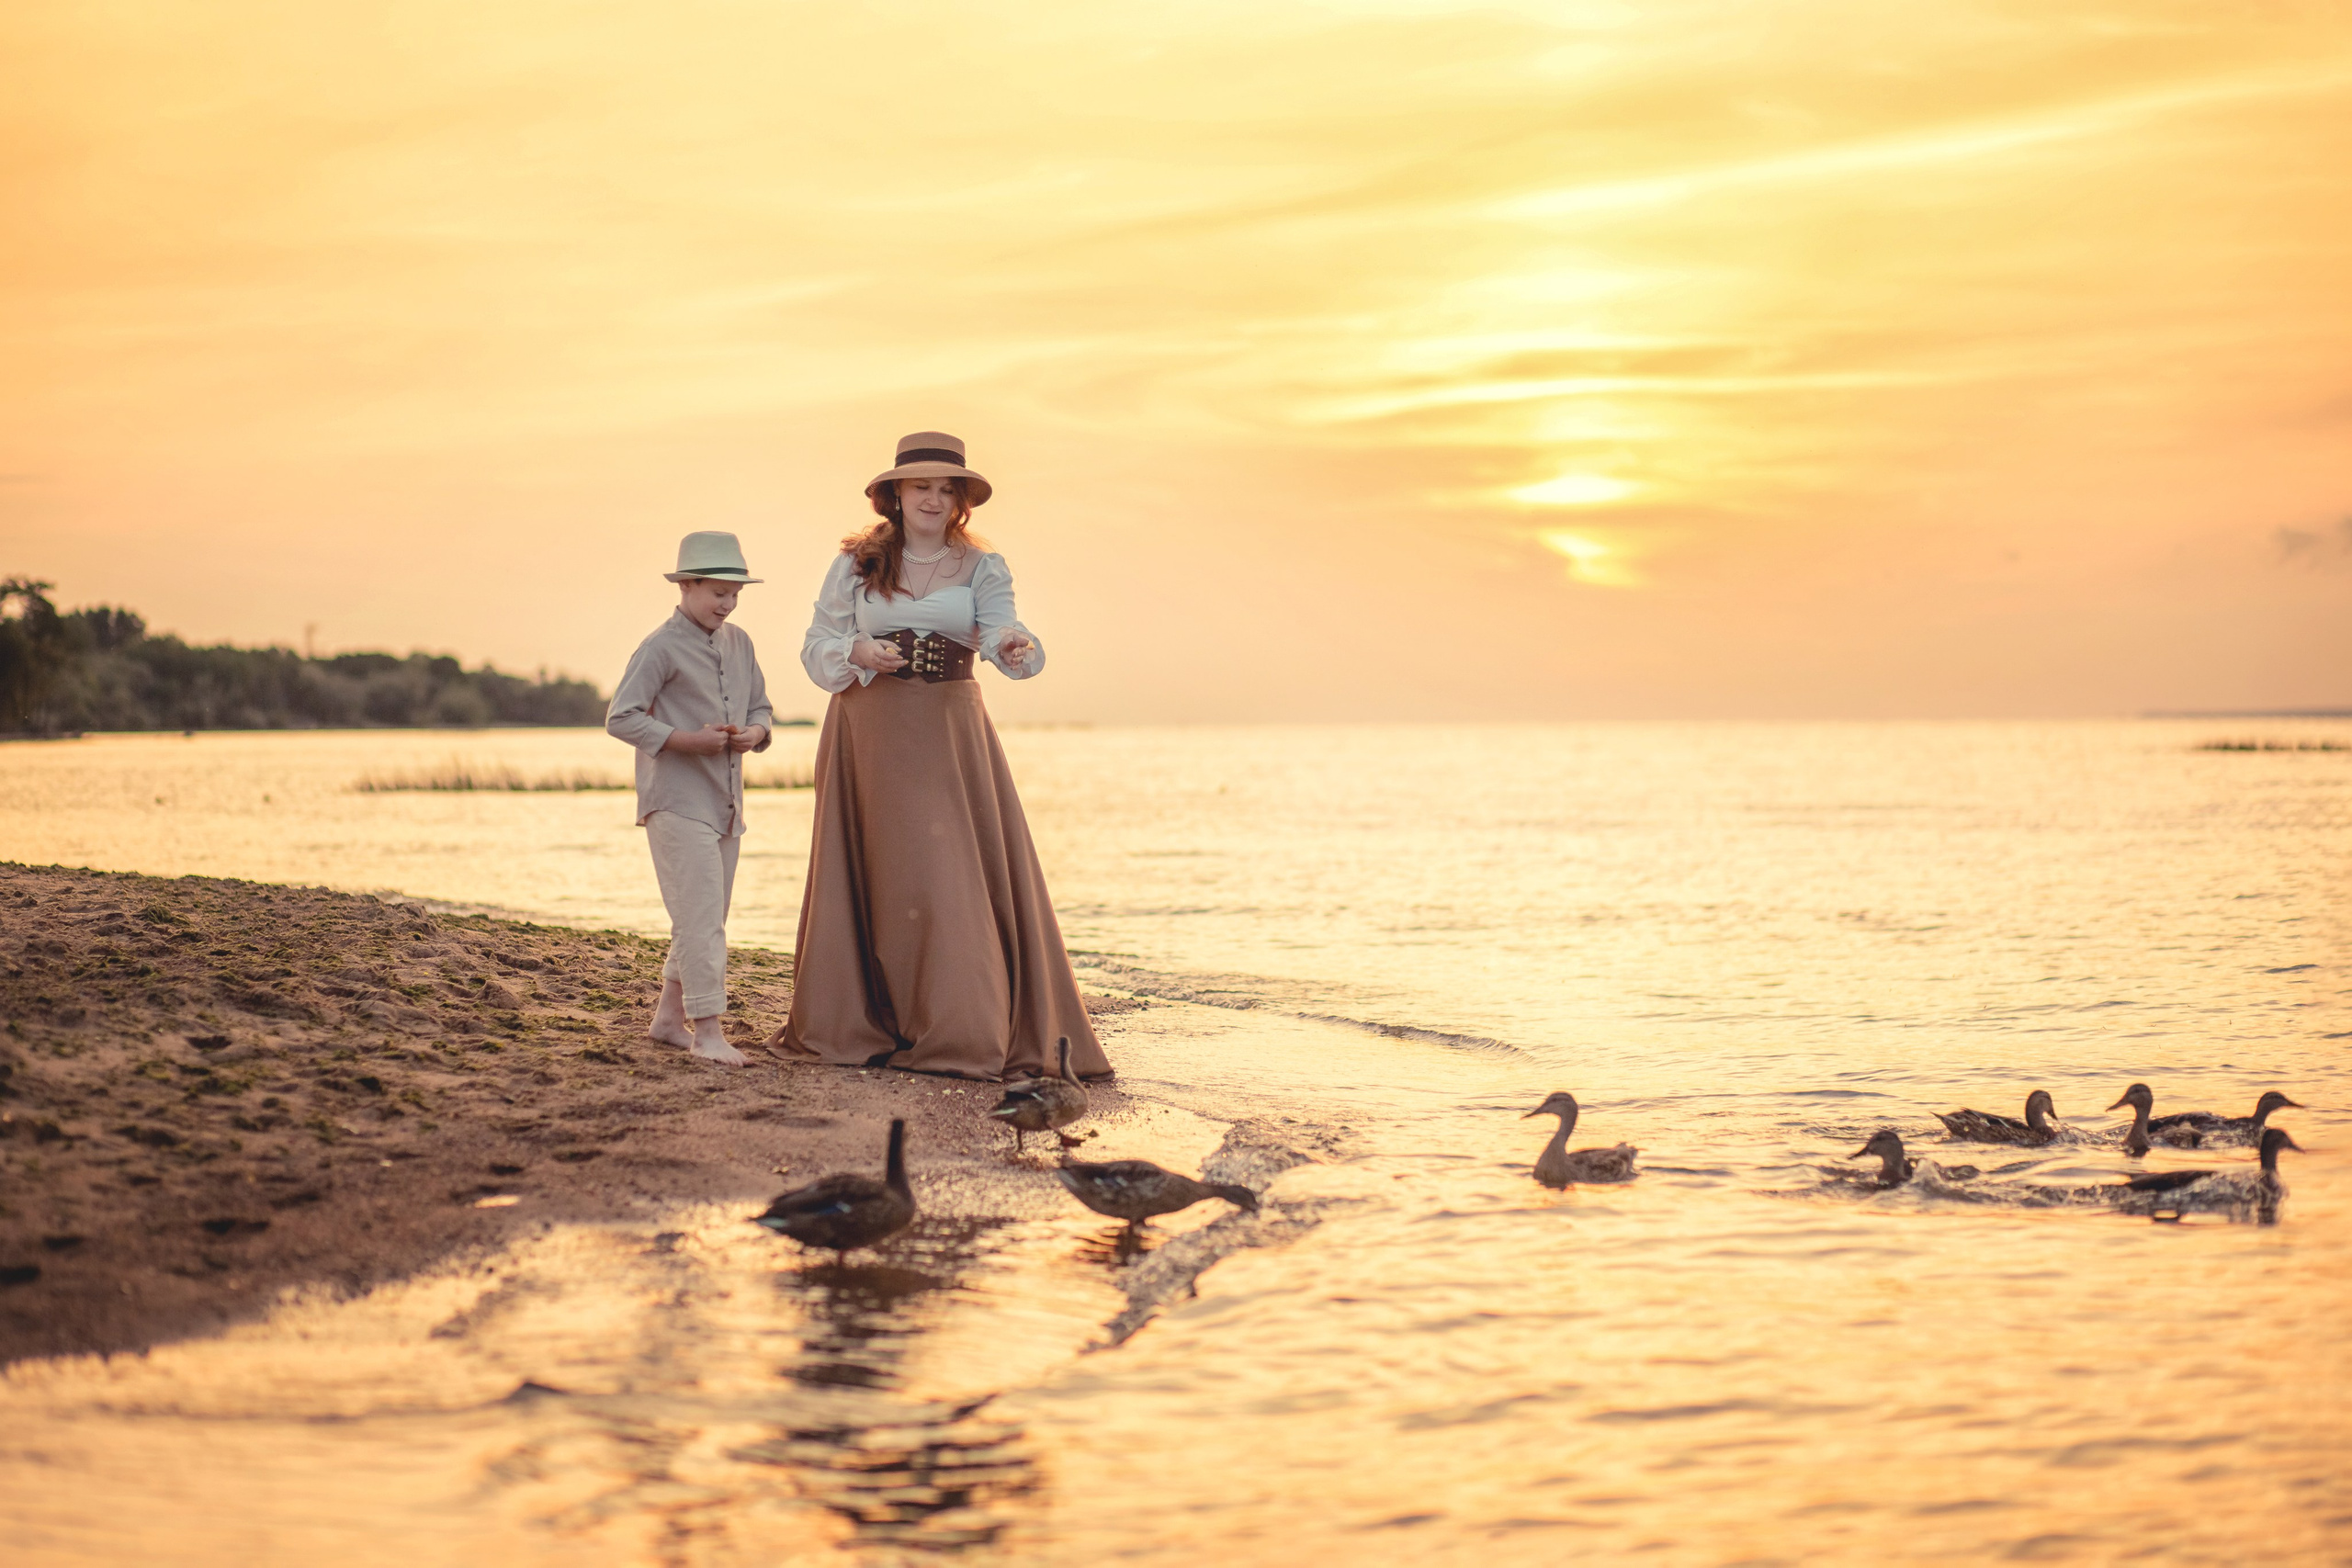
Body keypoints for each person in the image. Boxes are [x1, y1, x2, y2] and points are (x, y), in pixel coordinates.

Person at [767, 432, 1111, 1082]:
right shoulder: (854, 563)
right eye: (920, 485)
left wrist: (1013, 648)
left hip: (951, 726)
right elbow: (818, 643)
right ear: (895, 493)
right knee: (882, 868)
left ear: (960, 500)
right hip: (868, 725)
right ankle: (870, 1021)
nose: (933, 497)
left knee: (947, 871)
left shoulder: (983, 566)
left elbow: (1005, 626)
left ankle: (960, 1029)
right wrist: (856, 653)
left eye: (945, 487)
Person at [606, 530, 775, 1066]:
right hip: (675, 801)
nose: (726, 603)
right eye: (717, 592)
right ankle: (707, 1033)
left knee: (705, 917)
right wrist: (685, 741)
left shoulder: (741, 643)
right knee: (701, 920)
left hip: (727, 805)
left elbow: (762, 709)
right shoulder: (659, 646)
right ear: (685, 585)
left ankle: (666, 1020)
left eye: (735, 594)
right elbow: (621, 717)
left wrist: (756, 735)